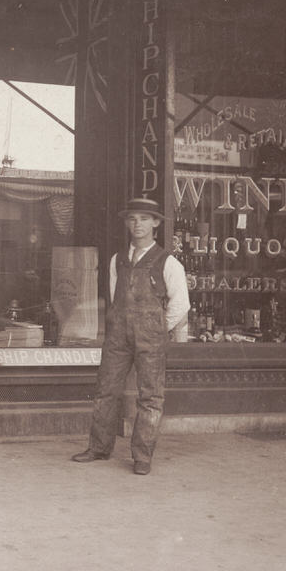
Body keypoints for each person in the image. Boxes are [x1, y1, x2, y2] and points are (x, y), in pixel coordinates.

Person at [71, 197, 190, 475]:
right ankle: (99, 447)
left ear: (156, 223)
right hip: (118, 335)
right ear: (127, 223)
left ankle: (142, 456)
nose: (138, 224)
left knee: (150, 396)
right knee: (106, 391)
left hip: (151, 338)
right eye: (133, 219)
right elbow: (114, 297)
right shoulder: (118, 259)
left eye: (145, 219)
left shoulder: (168, 262)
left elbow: (181, 303)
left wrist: (159, 327)